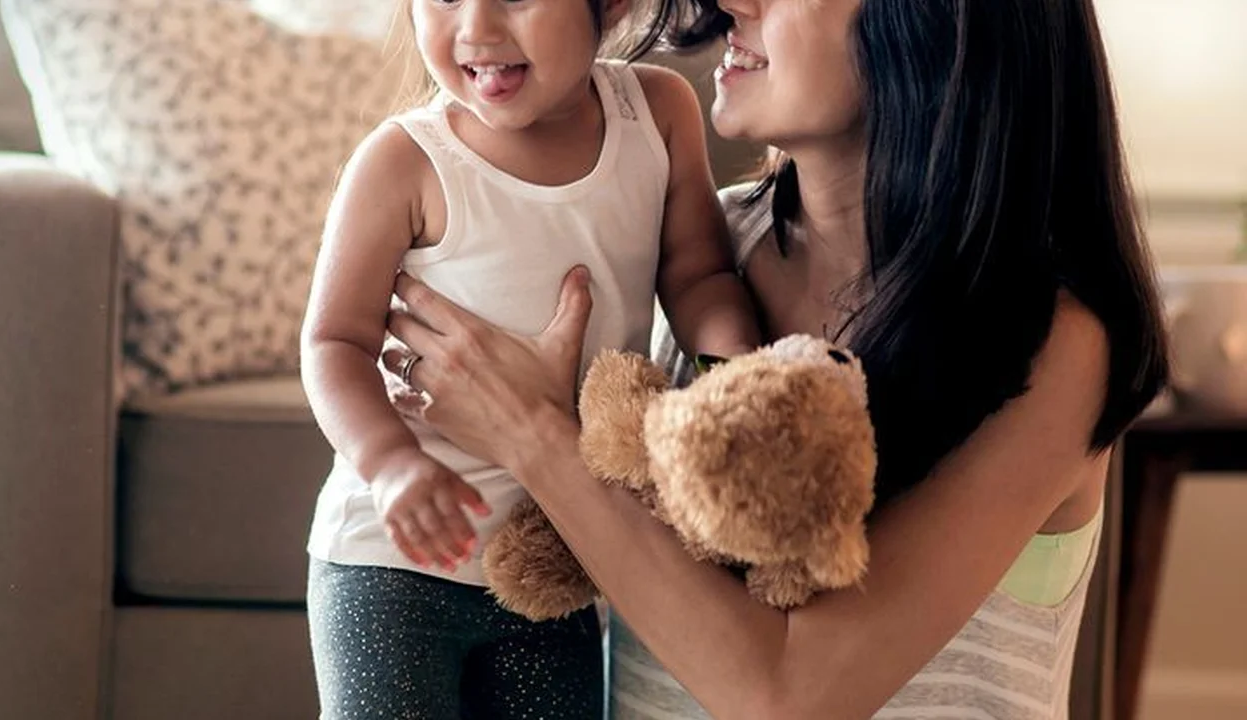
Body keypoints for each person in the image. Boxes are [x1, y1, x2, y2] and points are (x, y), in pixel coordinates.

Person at [379, 0, 1171, 717]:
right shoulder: (696, 254)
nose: (732, 3)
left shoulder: (1052, 339)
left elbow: (790, 698)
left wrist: (534, 434)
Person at [299, 0, 762, 714]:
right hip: (393, 567)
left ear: (610, 8)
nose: (477, 28)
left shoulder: (658, 112)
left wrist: (731, 377)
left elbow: (700, 275)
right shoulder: (405, 162)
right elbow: (333, 342)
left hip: (560, 554)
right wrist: (390, 463)